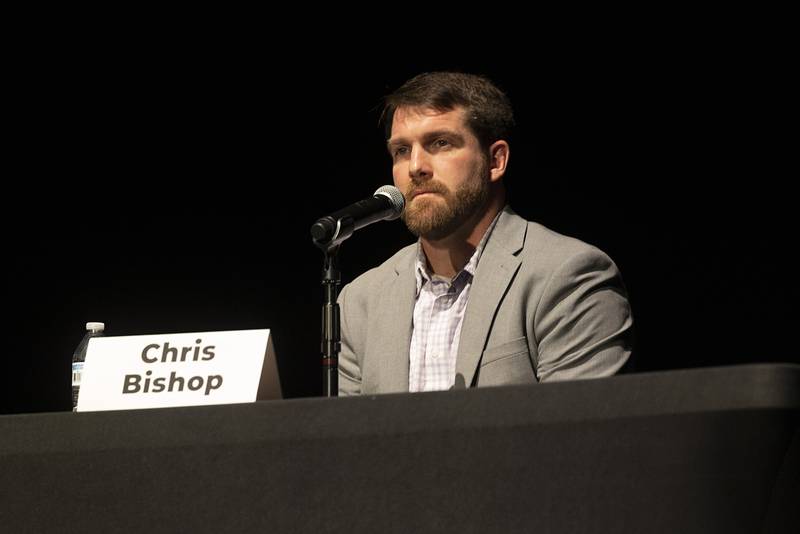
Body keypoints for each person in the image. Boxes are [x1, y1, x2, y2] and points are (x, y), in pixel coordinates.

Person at [337, 71, 633, 396]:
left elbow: (578, 434)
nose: (415, 166)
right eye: (402, 150)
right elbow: (346, 442)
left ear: (495, 160)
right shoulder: (360, 301)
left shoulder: (568, 276)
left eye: (440, 143)